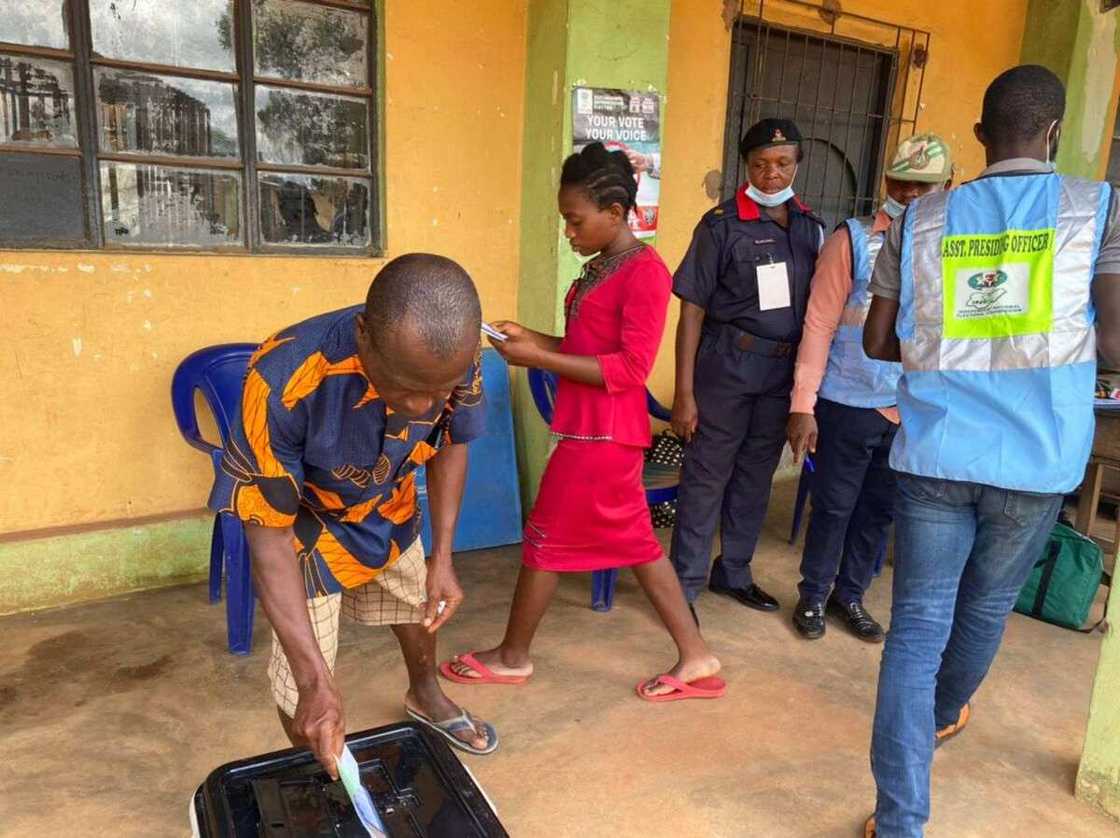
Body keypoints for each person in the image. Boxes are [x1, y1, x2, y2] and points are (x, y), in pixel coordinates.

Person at [861, 65, 1120, 837]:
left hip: (936, 454)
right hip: (1039, 459)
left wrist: (957, 332)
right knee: (986, 606)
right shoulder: (1096, 208)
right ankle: (942, 713)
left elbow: (877, 339)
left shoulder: (919, 220)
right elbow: (1115, 338)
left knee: (916, 626)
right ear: (1054, 131)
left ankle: (901, 821)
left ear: (980, 134)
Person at [441, 143, 723, 701]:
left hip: (605, 435)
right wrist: (528, 339)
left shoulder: (645, 273)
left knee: (547, 540)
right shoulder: (601, 267)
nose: (569, 232)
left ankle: (515, 657)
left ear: (615, 213)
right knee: (637, 545)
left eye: (576, 220)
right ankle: (696, 657)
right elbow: (581, 347)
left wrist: (541, 359)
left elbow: (630, 368)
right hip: (590, 430)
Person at [208, 254, 500, 779]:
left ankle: (426, 693)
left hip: (389, 505)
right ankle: (317, 766)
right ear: (364, 336)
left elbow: (453, 442)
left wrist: (445, 555)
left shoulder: (456, 355)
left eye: (439, 391)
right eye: (407, 387)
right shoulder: (283, 379)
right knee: (304, 681)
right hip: (303, 523)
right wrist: (315, 678)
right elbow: (268, 534)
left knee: (417, 604)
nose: (422, 406)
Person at [787, 134, 953, 642]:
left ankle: (849, 597)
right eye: (901, 182)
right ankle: (814, 595)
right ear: (885, 181)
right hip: (848, 400)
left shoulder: (953, 246)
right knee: (834, 506)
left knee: (880, 511)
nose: (909, 194)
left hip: (912, 405)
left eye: (923, 186)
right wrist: (802, 405)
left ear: (948, 186)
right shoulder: (852, 239)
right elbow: (818, 323)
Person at [669, 118, 826, 616]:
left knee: (756, 477)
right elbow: (691, 309)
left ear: (798, 163)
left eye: (782, 163)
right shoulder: (720, 225)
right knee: (707, 475)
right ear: (747, 166)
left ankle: (733, 571)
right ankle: (684, 586)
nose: (771, 174)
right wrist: (685, 392)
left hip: (780, 374)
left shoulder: (810, 227)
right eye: (760, 164)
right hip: (726, 365)